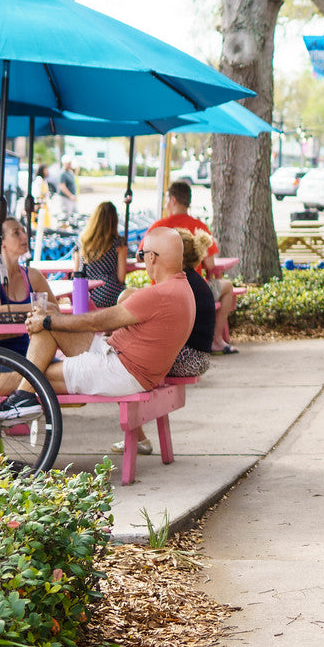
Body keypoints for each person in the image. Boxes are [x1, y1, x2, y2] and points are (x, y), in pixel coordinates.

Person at [0, 227, 193, 422]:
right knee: (46, 327)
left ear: (153, 258)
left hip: (122, 371)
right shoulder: (181, 289)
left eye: (142, 255)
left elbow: (98, 321)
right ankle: (23, 397)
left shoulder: (159, 294)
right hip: (117, 356)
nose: (141, 261)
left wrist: (48, 321)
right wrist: (50, 319)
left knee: (35, 374)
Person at [111, 227, 217, 455]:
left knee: (125, 360)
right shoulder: (190, 281)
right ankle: (138, 437)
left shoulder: (177, 284)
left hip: (189, 357)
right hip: (197, 355)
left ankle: (138, 438)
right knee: (127, 355)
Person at [148, 180, 238, 353]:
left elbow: (143, 258)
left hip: (162, 290)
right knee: (227, 287)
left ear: (173, 200)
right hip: (196, 291)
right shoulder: (199, 226)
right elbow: (211, 265)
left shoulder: (158, 227)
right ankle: (216, 339)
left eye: (167, 199)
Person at [0, 218, 59, 357]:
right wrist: (37, 306)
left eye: (23, 231)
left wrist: (43, 308)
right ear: (1, 242)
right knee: (33, 376)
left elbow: (55, 310)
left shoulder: (33, 275)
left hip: (27, 353)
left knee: (65, 374)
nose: (24, 236)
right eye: (16, 233)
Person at [75, 201, 128, 308]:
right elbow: (121, 278)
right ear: (114, 221)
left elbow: (77, 273)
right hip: (109, 292)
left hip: (86, 294)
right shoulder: (119, 243)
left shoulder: (83, 242)